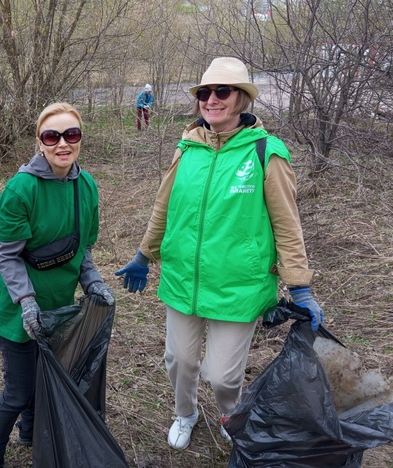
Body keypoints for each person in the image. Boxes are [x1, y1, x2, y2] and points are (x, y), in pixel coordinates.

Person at [115, 57, 324, 451]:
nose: (212, 100)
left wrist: (299, 286)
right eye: (205, 93)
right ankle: (186, 413)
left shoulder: (266, 153)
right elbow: (165, 207)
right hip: (183, 279)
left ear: (241, 98)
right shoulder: (187, 147)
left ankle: (232, 416)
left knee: (223, 375)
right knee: (178, 360)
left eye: (222, 92)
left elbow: (287, 224)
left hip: (238, 285)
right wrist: (144, 254)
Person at [0, 102, 114, 468]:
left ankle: (30, 433)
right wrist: (26, 302)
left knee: (45, 379)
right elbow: (8, 256)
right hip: (17, 308)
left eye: (71, 135)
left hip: (60, 307)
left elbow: (83, 246)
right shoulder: (20, 190)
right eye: (51, 136)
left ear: (80, 140)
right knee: (19, 391)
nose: (62, 144)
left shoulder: (86, 186)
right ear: (39, 142)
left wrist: (93, 282)